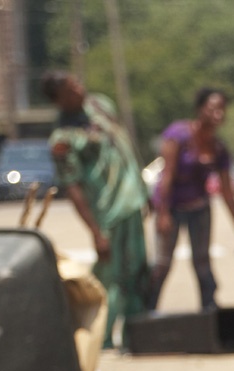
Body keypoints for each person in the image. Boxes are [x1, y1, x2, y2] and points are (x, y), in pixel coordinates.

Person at [42, 70, 149, 349]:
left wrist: (144, 191)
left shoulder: (100, 106)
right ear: (59, 99)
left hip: (132, 202)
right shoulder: (63, 139)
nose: (79, 89)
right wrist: (95, 231)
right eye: (70, 88)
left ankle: (135, 334)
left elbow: (123, 146)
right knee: (109, 278)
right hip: (108, 212)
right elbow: (73, 188)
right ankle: (99, 337)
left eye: (77, 83)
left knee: (136, 272)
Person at [147, 87, 234, 312]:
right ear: (201, 109)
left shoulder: (218, 148)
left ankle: (209, 310)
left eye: (222, 110)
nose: (218, 114)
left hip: (199, 208)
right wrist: (162, 213)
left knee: (202, 262)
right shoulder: (179, 135)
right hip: (171, 207)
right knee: (162, 263)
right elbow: (167, 176)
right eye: (213, 109)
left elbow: (227, 191)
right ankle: (147, 311)